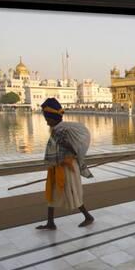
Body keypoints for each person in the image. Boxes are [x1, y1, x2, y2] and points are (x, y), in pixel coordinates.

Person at [36, 98, 94, 230]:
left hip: (67, 167)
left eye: (47, 119)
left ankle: (88, 217)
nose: (46, 122)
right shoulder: (60, 128)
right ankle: (50, 222)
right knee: (52, 192)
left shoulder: (60, 131)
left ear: (53, 118)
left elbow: (70, 149)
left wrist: (64, 156)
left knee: (72, 192)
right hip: (59, 166)